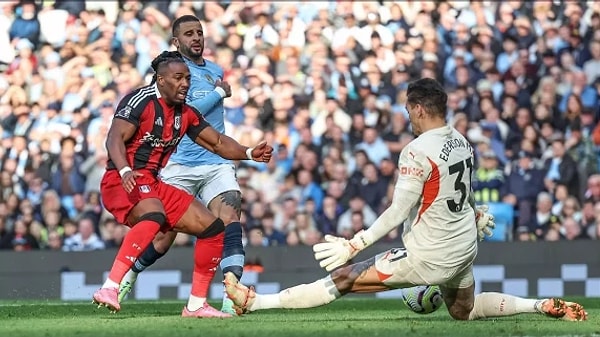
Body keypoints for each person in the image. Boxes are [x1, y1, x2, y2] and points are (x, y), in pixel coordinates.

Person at [223, 78, 587, 322]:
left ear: (417, 109)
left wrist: (356, 243)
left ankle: (255, 302)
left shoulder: (417, 150)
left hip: (429, 256)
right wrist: (474, 214)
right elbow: (455, 194)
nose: (406, 116)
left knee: (344, 279)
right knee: (466, 311)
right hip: (463, 248)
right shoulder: (461, 140)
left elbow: (399, 210)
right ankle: (538, 304)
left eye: (407, 110)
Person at [92, 51, 273, 314]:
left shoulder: (184, 112)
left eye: (187, 78)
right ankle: (110, 286)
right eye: (178, 78)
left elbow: (218, 142)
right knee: (154, 216)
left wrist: (248, 153)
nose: (185, 83)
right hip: (122, 181)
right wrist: (124, 170)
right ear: (161, 79)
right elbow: (114, 139)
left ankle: (196, 304)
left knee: (212, 228)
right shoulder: (140, 100)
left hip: (153, 184)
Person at [117, 15, 246, 317]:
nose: (196, 38)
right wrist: (219, 93)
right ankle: (130, 274)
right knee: (163, 237)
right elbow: (184, 113)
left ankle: (231, 294)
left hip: (215, 162)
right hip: (178, 163)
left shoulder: (215, 70)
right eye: (189, 34)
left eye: (199, 32)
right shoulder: (170, 75)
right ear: (176, 41)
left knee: (230, 214)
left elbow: (207, 126)